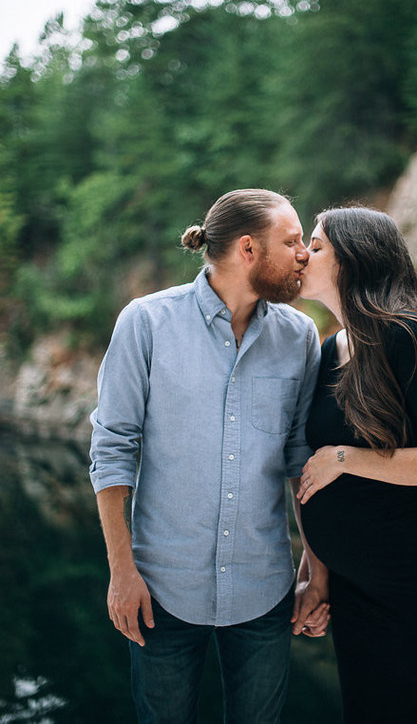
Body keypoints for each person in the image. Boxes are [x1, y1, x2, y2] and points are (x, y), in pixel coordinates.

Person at [89, 189, 330, 724]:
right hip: (160, 591)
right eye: (292, 242)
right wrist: (121, 572)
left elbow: (302, 462)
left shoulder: (299, 336)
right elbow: (112, 449)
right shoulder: (146, 323)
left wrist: (317, 570)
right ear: (248, 249)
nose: (304, 255)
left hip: (264, 590)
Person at [296, 206, 417, 724]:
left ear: (353, 257)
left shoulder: (404, 334)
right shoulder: (329, 350)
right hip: (353, 583)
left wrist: (344, 458)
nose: (303, 255)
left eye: (316, 245)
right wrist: (316, 571)